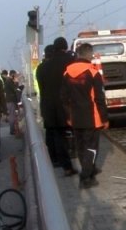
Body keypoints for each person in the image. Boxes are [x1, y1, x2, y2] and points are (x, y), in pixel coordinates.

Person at [62, 42, 109, 189]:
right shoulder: (93, 73)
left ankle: (90, 169)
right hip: (92, 117)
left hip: (75, 117)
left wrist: (68, 116)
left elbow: (63, 97)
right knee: (91, 148)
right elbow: (99, 98)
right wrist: (105, 118)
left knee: (81, 146)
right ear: (89, 54)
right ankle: (86, 177)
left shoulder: (67, 73)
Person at [35, 38, 77, 176]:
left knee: (54, 134)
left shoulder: (41, 68)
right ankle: (69, 166)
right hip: (66, 105)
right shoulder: (68, 62)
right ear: (64, 47)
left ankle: (56, 161)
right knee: (68, 135)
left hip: (47, 106)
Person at [2, 69, 19, 135]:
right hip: (10, 100)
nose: (16, 76)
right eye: (15, 75)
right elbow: (15, 89)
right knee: (12, 116)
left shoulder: (8, 80)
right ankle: (12, 130)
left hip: (10, 100)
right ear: (12, 75)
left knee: (12, 115)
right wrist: (17, 82)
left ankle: (12, 130)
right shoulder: (9, 81)